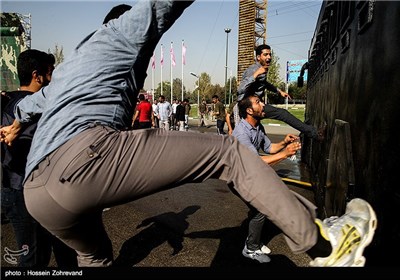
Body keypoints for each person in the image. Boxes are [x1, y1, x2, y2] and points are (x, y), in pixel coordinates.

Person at [0, 1, 377, 267]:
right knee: (228, 154)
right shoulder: (120, 34)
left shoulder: (68, 69)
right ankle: (327, 246)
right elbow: (162, 6)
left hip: (39, 196)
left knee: (95, 258)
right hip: (82, 162)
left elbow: (35, 102)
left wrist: (17, 121)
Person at [1, 49, 77, 267]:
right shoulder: (46, 107)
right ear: (38, 75)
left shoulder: (5, 102)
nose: (53, 79)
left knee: (32, 257)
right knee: (64, 254)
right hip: (44, 190)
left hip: (12, 189)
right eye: (50, 73)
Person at [232, 94, 301, 263]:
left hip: (250, 174)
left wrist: (284, 143)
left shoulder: (258, 126)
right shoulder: (241, 133)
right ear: (249, 110)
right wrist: (285, 154)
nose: (263, 104)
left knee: (262, 208)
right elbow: (256, 162)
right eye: (258, 102)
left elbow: (269, 148)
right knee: (261, 209)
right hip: (237, 177)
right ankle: (251, 248)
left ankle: (255, 240)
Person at [238, 44, 321, 140]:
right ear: (258, 57)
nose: (269, 57)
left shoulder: (262, 68)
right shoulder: (253, 70)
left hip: (255, 105)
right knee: (283, 114)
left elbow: (264, 83)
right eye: (265, 55)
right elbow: (240, 90)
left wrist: (279, 91)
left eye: (270, 54)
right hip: (247, 107)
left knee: (259, 135)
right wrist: (256, 73)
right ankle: (314, 133)